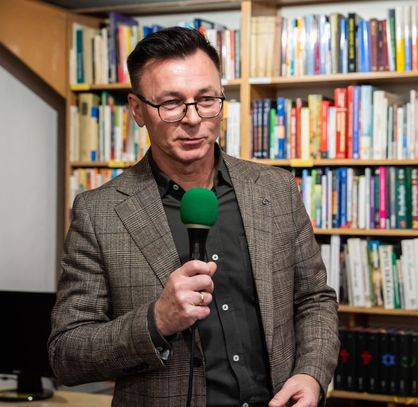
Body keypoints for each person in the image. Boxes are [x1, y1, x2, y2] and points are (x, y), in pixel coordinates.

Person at [48, 26, 339, 407]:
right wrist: (156, 320)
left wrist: (311, 374)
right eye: (171, 103)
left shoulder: (276, 188)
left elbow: (315, 299)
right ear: (137, 109)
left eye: (206, 99)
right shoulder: (99, 213)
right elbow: (67, 353)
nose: (193, 118)